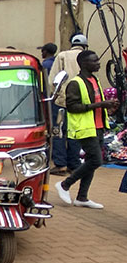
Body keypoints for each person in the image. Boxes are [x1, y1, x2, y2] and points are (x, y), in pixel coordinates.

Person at [54, 50, 118, 209]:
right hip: (85, 128)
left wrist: (108, 107)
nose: (98, 63)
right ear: (83, 64)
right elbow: (72, 106)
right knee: (96, 160)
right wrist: (100, 105)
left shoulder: (94, 79)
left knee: (91, 160)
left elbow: (96, 102)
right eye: (94, 61)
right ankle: (64, 184)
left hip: (98, 126)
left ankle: (82, 197)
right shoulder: (75, 83)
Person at [49, 34, 87, 175]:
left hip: (62, 102)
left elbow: (53, 79)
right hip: (80, 103)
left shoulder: (62, 55)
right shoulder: (88, 56)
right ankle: (74, 164)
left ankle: (60, 165)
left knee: (58, 133)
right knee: (75, 133)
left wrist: (54, 95)